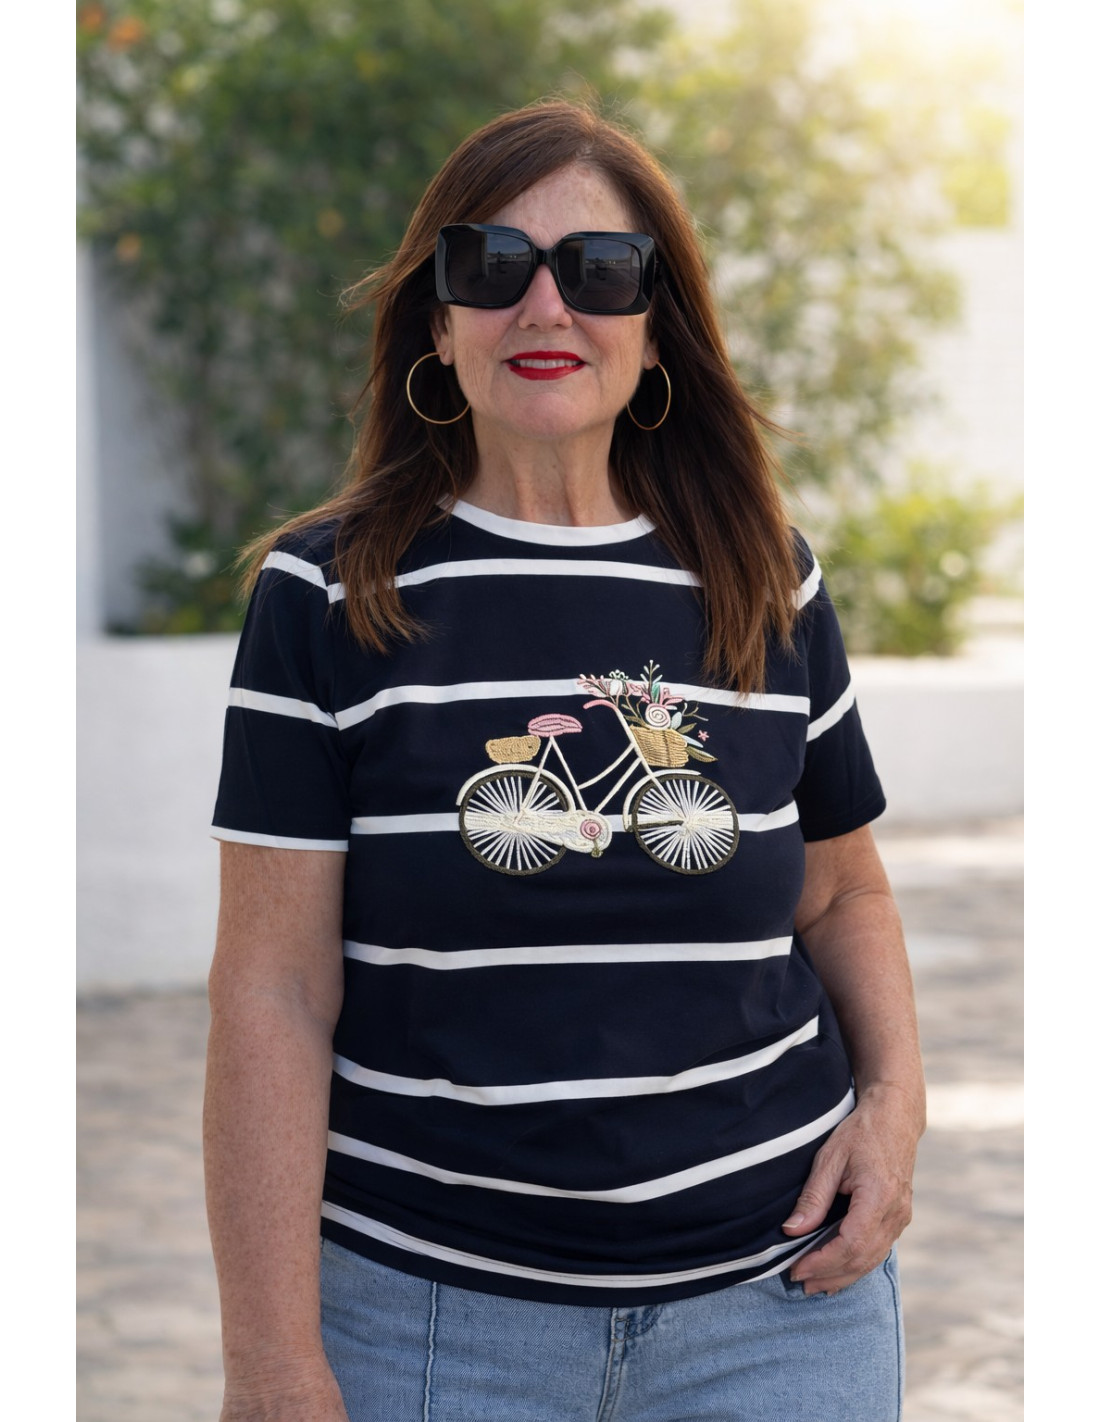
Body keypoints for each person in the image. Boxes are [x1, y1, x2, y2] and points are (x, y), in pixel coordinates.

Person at [205, 99, 925, 1422]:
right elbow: (272, 991)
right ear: (437, 321)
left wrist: (895, 1100)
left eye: (600, 270)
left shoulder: (764, 576)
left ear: (657, 324)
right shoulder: (326, 595)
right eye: (490, 265)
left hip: (782, 1311)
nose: (546, 306)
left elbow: (842, 893)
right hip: (429, 1328)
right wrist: (270, 1362)